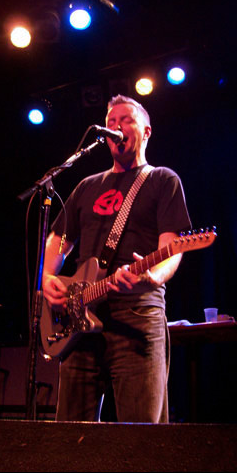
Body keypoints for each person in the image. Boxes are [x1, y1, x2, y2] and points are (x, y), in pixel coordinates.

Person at [42, 94, 191, 423]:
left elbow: (173, 247)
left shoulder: (162, 179)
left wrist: (153, 276)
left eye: (125, 120)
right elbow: (58, 241)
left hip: (137, 315)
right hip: (80, 317)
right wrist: (49, 279)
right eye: (110, 122)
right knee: (70, 436)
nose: (116, 128)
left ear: (146, 131)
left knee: (138, 437)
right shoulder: (86, 186)